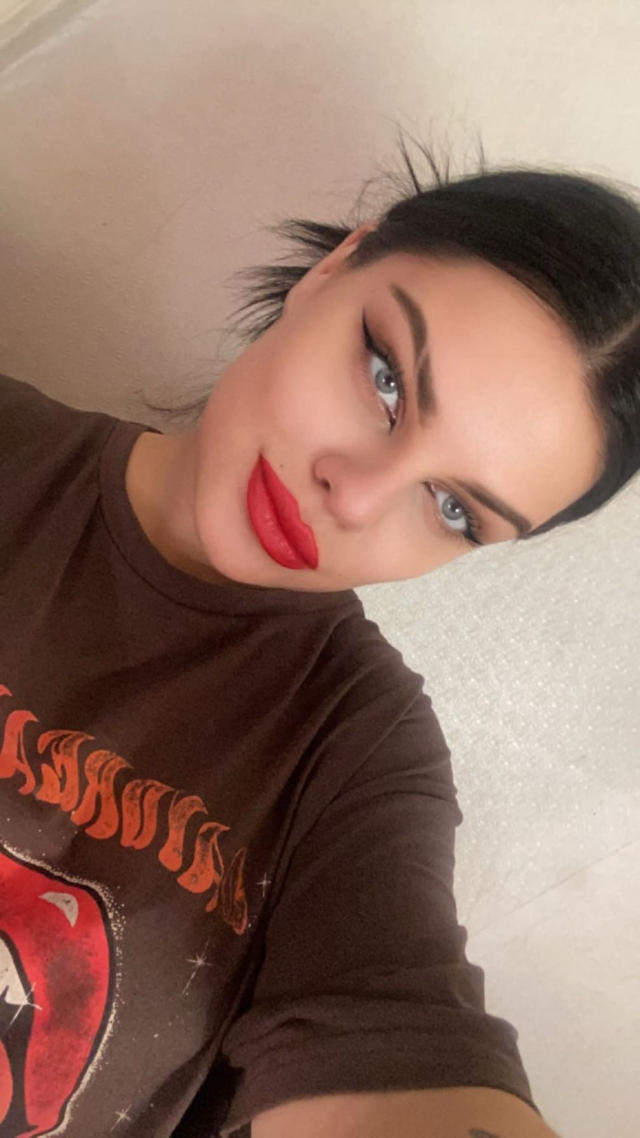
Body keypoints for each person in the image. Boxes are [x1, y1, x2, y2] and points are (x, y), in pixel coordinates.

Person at [1, 144, 639, 1138]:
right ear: (333, 268)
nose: (357, 494)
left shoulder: (359, 756)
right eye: (385, 377)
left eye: (453, 508)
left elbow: (401, 1033)